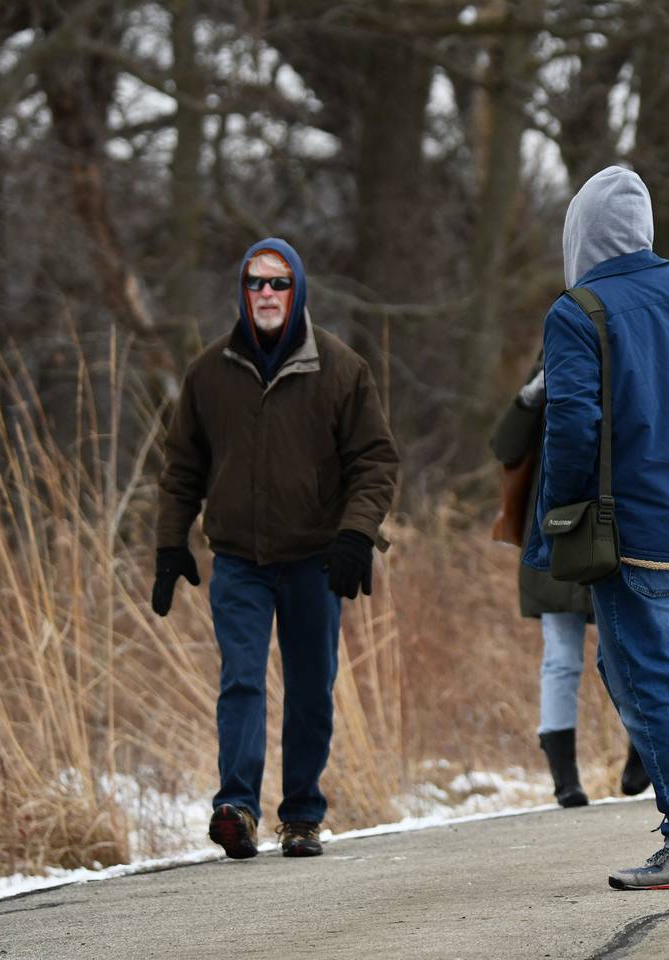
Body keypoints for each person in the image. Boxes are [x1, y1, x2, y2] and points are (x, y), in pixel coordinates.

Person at [523, 165, 669, 889]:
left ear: (581, 233)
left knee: (645, 679)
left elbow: (571, 427)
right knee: (626, 667)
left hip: (627, 537)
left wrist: (563, 512)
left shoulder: (578, 310)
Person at [152, 237, 400, 859]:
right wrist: (169, 543)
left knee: (313, 687)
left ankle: (302, 814)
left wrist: (355, 534)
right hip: (239, 559)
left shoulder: (341, 369)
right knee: (241, 680)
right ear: (242, 292)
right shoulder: (209, 372)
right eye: (256, 283)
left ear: (299, 292)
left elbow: (375, 463)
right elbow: (182, 467)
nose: (266, 294)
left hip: (316, 559)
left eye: (279, 283)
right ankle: (235, 806)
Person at [489, 362, 651, 806]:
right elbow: (504, 447)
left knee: (625, 652)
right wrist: (531, 394)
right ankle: (565, 778)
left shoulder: (631, 357)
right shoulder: (551, 368)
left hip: (617, 529)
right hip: (557, 531)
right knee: (561, 658)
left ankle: (645, 748)